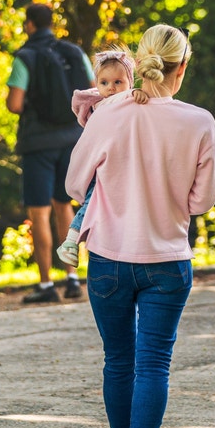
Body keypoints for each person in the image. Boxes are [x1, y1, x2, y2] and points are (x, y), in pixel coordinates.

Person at [66, 24, 215, 428]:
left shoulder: (109, 113)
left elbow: (76, 184)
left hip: (110, 259)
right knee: (154, 363)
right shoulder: (199, 122)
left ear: (141, 61)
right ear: (182, 68)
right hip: (167, 260)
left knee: (119, 360)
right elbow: (202, 201)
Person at [6, 3, 93, 304]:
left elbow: (16, 104)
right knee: (64, 204)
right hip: (72, 139)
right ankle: (72, 278)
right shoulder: (73, 52)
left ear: (29, 24)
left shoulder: (25, 57)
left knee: (39, 211)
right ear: (51, 24)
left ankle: (45, 284)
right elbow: (93, 88)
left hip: (38, 143)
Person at [57, 49, 148, 268]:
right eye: (104, 83)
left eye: (118, 82)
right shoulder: (100, 107)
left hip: (125, 166)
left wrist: (140, 95)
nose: (111, 88)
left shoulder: (130, 99)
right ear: (96, 84)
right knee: (94, 198)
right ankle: (71, 240)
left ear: (130, 82)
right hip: (104, 167)